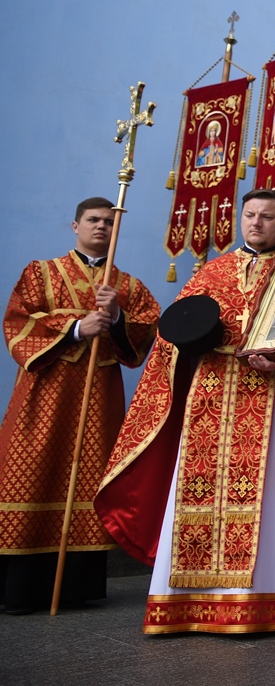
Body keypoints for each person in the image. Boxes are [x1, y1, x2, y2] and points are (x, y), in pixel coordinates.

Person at [96, 189, 275, 634]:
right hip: (211, 393)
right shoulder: (212, 272)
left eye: (267, 217)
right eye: (249, 215)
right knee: (199, 487)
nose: (255, 223)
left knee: (270, 487)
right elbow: (172, 337)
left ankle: (272, 599)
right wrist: (195, 342)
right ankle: (189, 603)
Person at [0, 197, 159, 613]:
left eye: (109, 221)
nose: (101, 227)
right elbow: (18, 321)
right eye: (93, 220)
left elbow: (147, 329)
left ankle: (74, 587)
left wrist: (118, 318)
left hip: (98, 399)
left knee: (88, 479)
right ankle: (19, 589)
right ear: (75, 226)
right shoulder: (40, 272)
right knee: (30, 470)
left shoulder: (127, 286)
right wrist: (75, 328)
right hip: (45, 394)